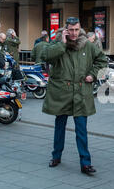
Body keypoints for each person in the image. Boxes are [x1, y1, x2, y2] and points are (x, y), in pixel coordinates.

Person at [43, 17, 108, 176]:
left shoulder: (88, 45)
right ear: (66, 30)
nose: (74, 33)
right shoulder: (58, 43)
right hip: (62, 93)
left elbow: (103, 61)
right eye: (70, 30)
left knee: (81, 129)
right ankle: (56, 156)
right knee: (60, 126)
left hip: (81, 93)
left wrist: (93, 75)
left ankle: (85, 163)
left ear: (80, 30)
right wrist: (62, 44)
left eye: (76, 30)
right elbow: (46, 56)